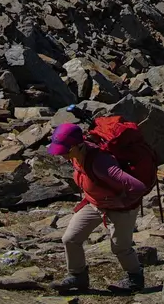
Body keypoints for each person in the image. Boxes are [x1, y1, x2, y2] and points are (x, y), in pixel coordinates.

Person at [48, 121, 153, 293]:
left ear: (78, 145)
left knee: (120, 247)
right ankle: (77, 276)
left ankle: (135, 279)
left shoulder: (101, 163)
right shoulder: (76, 156)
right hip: (95, 203)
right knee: (70, 239)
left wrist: (122, 203)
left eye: (65, 150)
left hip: (121, 208)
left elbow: (138, 187)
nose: (62, 155)